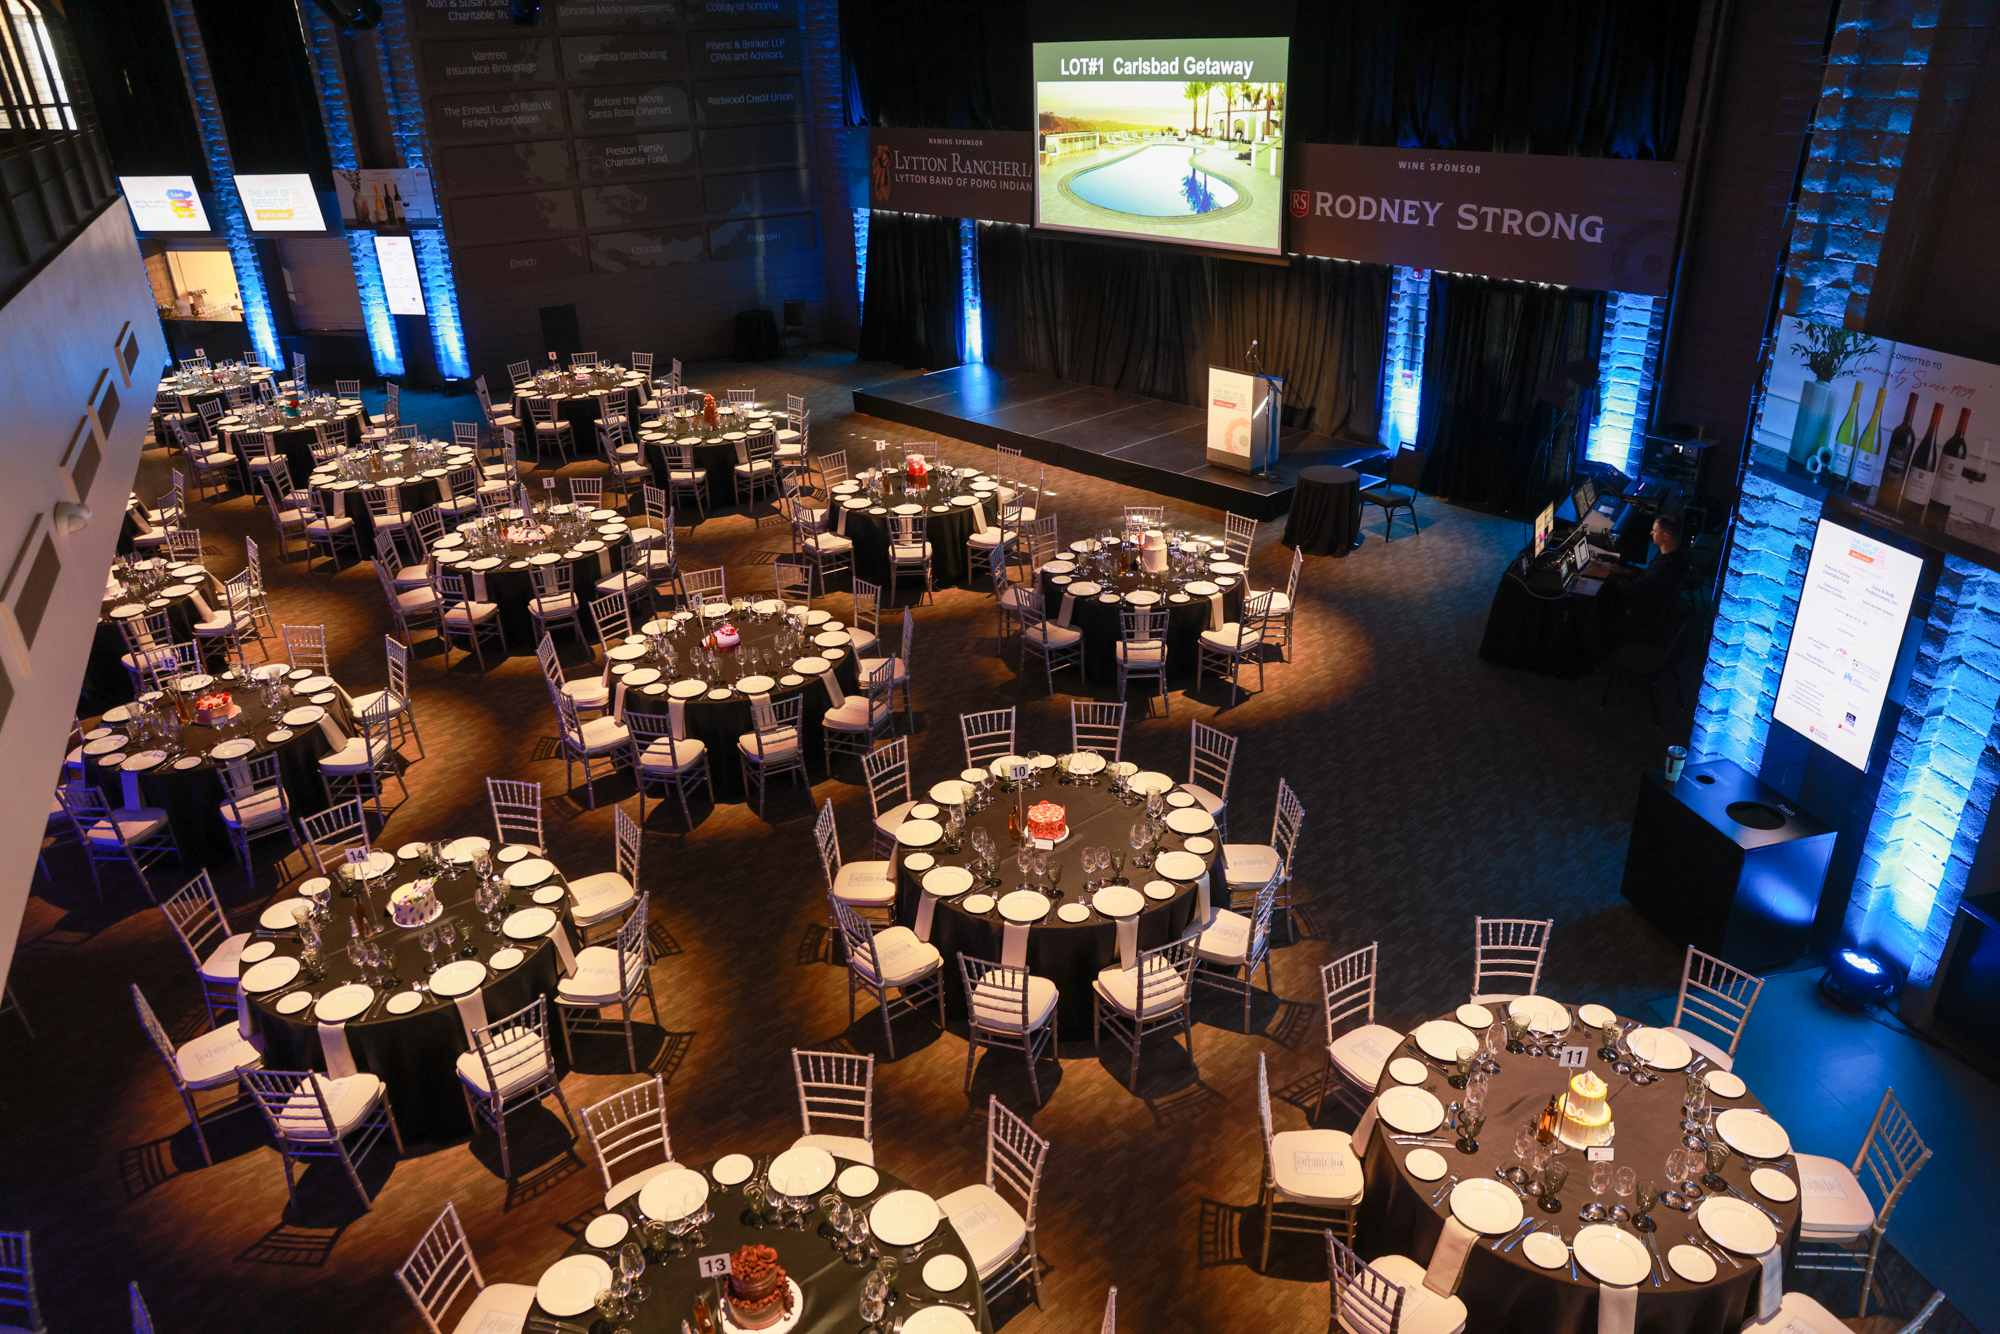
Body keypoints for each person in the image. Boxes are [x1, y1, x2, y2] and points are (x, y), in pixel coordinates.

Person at [1585, 512, 1689, 636]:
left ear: (1665, 536)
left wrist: (1605, 574)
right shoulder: (1671, 554)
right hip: (1650, 599)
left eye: (1654, 531)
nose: (1651, 533)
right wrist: (1625, 571)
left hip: (1641, 611)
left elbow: (1633, 589)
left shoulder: (1664, 566)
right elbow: (1647, 577)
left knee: (1599, 592)